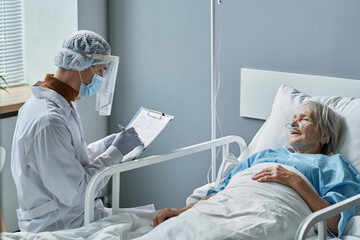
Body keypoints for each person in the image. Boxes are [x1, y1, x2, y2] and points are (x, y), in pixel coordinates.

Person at [151, 101, 360, 238]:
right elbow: (220, 194)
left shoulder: (335, 166)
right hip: (225, 206)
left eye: (304, 119)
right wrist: (179, 212)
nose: (294, 122)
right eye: (294, 119)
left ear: (325, 136)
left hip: (272, 213)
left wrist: (295, 182)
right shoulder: (263, 155)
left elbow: (334, 223)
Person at [11, 30, 144, 233]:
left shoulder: (56, 103)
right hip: (59, 224)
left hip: (69, 213)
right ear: (79, 64)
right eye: (100, 71)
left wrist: (106, 146)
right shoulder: (49, 121)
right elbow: (76, 192)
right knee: (152, 224)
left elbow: (69, 161)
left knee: (150, 218)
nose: (101, 78)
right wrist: (114, 153)